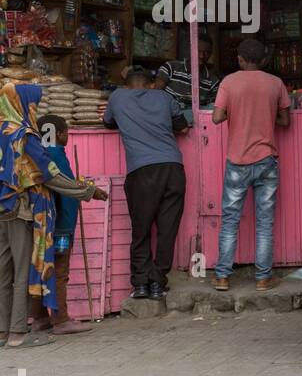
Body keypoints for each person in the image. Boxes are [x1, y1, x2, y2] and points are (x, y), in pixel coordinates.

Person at [0, 86, 104, 348]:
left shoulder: (1, 131)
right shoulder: (25, 136)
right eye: (33, 106)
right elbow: (50, 176)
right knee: (24, 270)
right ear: (23, 105)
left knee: (3, 272)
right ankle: (17, 334)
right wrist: (88, 191)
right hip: (20, 209)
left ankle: (2, 332)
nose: (34, 111)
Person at [210, 38, 291, 292]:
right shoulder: (275, 83)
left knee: (230, 221)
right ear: (264, 60)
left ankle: (223, 276)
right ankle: (263, 279)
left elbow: (216, 117)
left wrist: (235, 112)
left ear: (241, 59)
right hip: (266, 160)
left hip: (238, 161)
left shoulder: (229, 82)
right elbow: (285, 120)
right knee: (265, 223)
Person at [103, 67, 188, 300]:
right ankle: (158, 283)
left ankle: (140, 284)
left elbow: (108, 123)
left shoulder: (117, 97)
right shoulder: (164, 97)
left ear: (127, 84)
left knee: (140, 231)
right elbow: (182, 126)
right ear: (151, 84)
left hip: (141, 172)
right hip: (173, 168)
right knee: (167, 230)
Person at [28, 115, 106, 336]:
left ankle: (40, 318)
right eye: (65, 132)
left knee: (41, 268)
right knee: (59, 270)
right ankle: (61, 319)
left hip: (41, 223)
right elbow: (66, 188)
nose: (66, 136)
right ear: (60, 134)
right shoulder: (55, 154)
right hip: (59, 224)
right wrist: (87, 191)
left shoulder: (38, 152)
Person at [155, 33, 220, 116]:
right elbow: (155, 94)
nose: (202, 56)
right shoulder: (171, 67)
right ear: (191, 49)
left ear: (211, 54)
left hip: (195, 123)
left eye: (206, 52)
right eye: (198, 51)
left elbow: (213, 109)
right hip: (166, 117)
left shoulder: (213, 81)